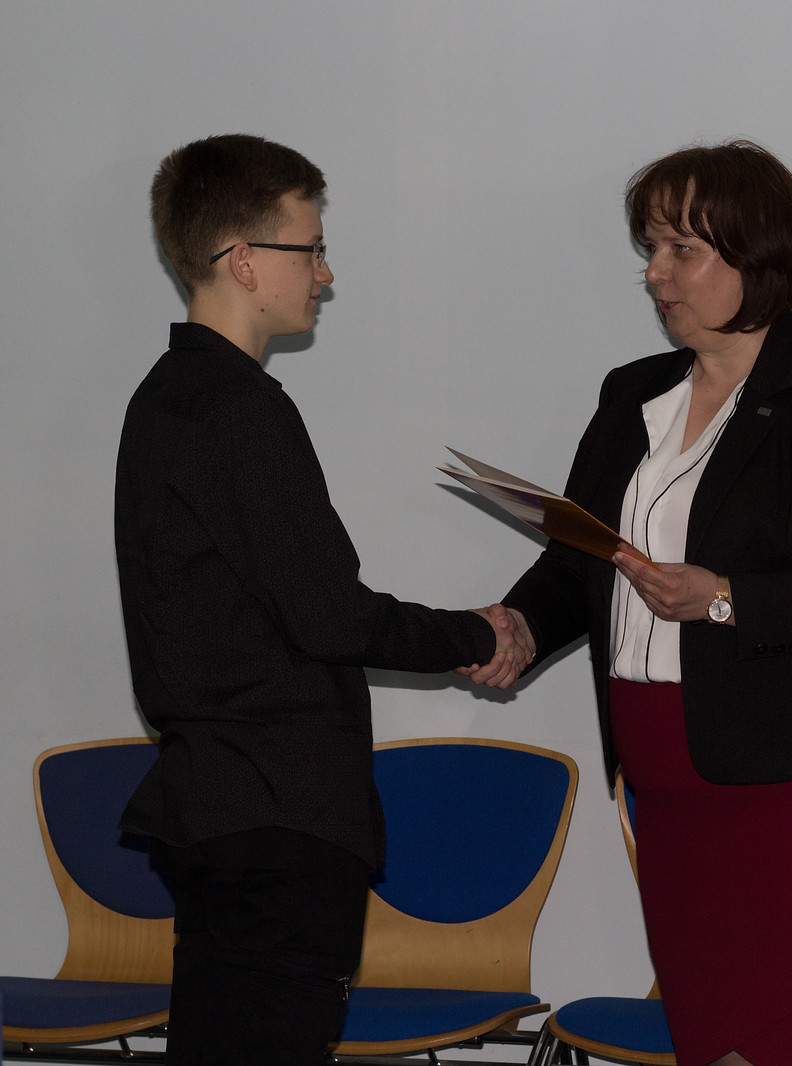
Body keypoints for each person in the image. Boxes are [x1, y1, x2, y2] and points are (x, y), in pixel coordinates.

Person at [502, 140, 792, 1066]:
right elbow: (582, 561)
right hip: (671, 778)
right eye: (650, 250)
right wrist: (517, 627)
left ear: (755, 256)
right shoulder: (632, 395)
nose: (655, 274)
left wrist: (728, 598)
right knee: (714, 1031)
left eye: (681, 250)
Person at [115, 133, 533, 1066]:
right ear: (244, 260)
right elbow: (330, 616)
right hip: (276, 818)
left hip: (220, 806)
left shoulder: (165, 398)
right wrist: (476, 632)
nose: (326, 273)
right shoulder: (238, 409)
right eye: (310, 249)